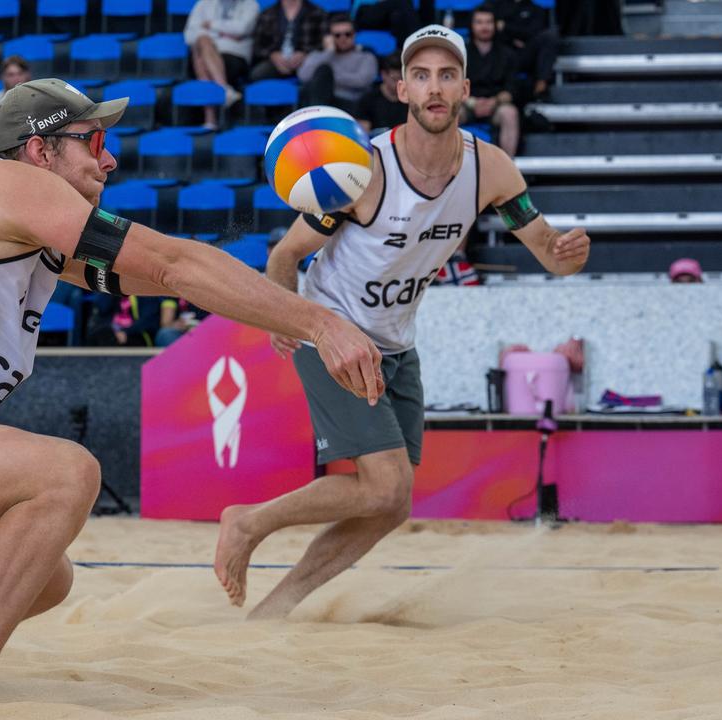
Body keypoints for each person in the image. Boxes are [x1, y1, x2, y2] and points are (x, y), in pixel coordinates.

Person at [0, 78, 382, 705]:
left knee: (43, 578)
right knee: (65, 474)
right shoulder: (7, 185)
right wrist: (321, 324)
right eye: (93, 140)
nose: (108, 159)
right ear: (40, 151)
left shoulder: (20, 230)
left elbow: (173, 278)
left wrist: (285, 306)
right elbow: (173, 263)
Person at [214, 25, 589, 620]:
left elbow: (547, 249)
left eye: (445, 75)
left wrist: (571, 256)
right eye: (421, 76)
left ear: (465, 86)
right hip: (333, 329)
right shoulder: (362, 170)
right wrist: (286, 315)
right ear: (401, 90)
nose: (434, 88)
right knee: (385, 486)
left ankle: (275, 608)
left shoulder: (489, 169)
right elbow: (286, 254)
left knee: (391, 504)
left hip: (395, 341)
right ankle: (247, 521)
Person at [184, 0, 260, 128]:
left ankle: (210, 118)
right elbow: (188, 35)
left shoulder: (251, 4)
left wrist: (210, 25)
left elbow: (242, 29)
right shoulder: (204, 4)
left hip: (235, 56)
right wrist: (224, 33)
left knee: (201, 55)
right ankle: (224, 89)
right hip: (210, 51)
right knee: (202, 43)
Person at [464, 5, 519, 157]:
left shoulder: (508, 55)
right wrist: (473, 103)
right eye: (479, 22)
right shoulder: (460, 54)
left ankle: (508, 170)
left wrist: (493, 102)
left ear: (495, 25)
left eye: (488, 22)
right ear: (472, 25)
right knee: (447, 114)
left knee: (510, 113)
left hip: (496, 105)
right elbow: (453, 88)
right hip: (466, 104)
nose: (484, 27)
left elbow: (511, 90)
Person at [296, 14, 379, 114]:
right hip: (320, 102)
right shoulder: (319, 55)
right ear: (329, 37)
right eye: (337, 35)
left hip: (350, 104)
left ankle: (316, 118)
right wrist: (329, 52)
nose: (343, 38)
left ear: (354, 35)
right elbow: (303, 76)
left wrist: (329, 77)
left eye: (347, 34)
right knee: (322, 72)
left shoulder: (366, 56)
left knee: (324, 72)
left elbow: (362, 81)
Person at [492, 0, 558, 103]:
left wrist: (506, 28)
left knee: (549, 37)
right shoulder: (497, 6)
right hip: (503, 55)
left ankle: (541, 84)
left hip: (526, 54)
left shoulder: (536, 9)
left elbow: (535, 31)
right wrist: (514, 39)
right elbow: (492, 32)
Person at [251, 0, 327, 80]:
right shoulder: (267, 13)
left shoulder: (317, 12)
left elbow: (326, 44)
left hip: (307, 62)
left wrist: (305, 54)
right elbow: (257, 45)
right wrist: (273, 55)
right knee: (257, 74)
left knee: (319, 75)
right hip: (275, 62)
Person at [356, 53, 408, 133]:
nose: (399, 83)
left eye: (402, 79)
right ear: (383, 75)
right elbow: (363, 134)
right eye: (394, 79)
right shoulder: (368, 100)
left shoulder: (411, 100)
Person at [350, 0, 421, 46]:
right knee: (402, 2)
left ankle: (401, 51)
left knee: (397, 16)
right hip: (363, 13)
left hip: (387, 17)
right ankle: (416, 40)